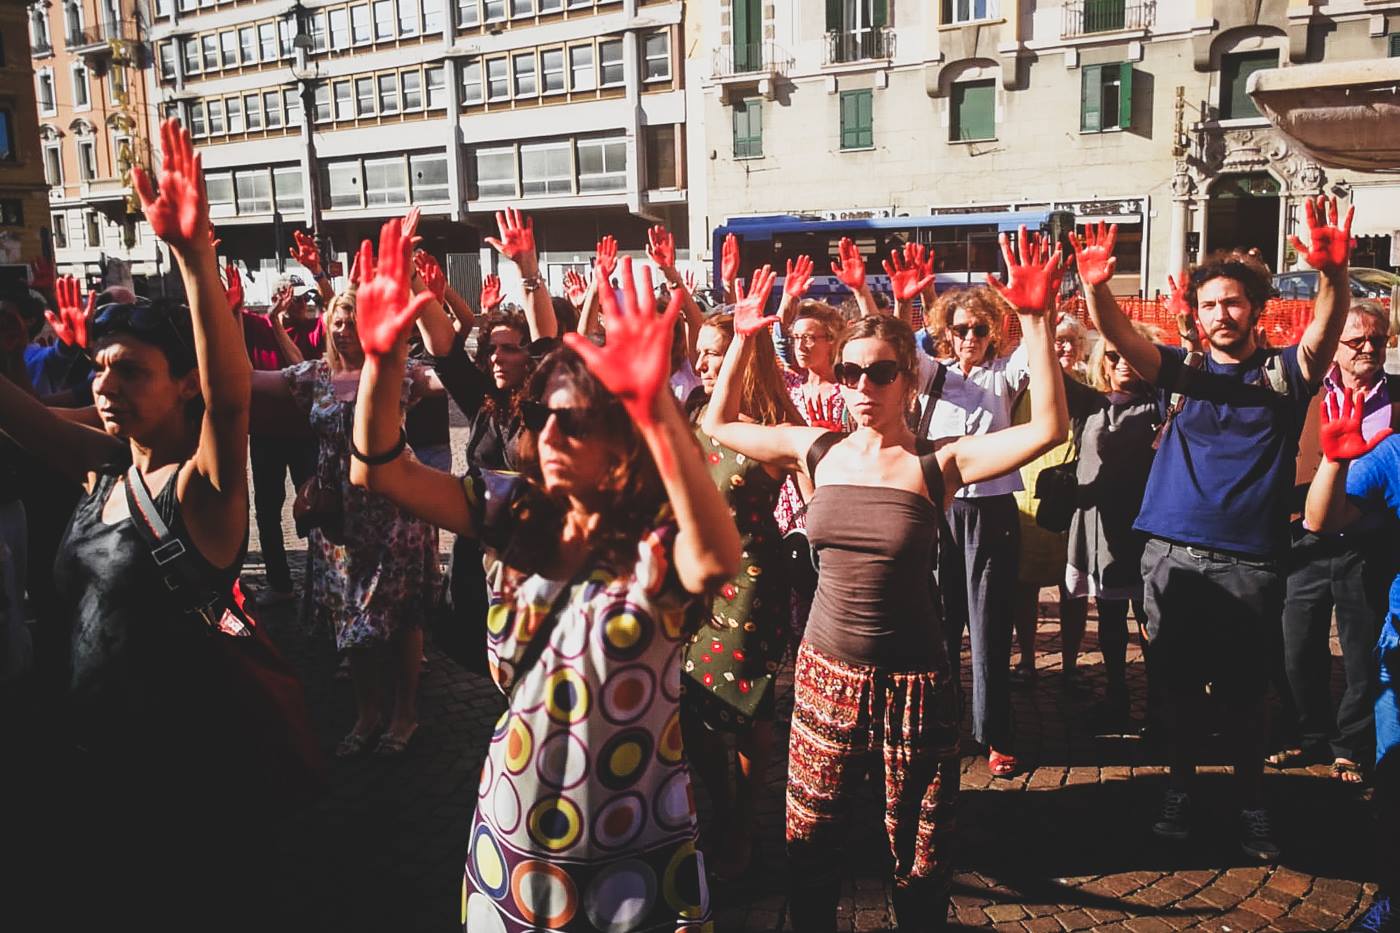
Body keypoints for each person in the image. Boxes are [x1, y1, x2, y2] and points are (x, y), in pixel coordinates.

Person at [349, 232, 739, 932]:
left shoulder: (655, 538)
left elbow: (714, 561)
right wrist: (381, 359)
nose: (551, 434)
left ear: (621, 437)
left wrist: (656, 407)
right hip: (514, 832)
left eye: (575, 420)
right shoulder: (512, 508)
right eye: (539, 415)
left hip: (636, 846)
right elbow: (380, 471)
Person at [702, 228, 1068, 931]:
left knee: (919, 853)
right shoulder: (816, 451)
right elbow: (719, 421)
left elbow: (1048, 427)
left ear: (908, 378)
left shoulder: (939, 463)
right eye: (849, 373)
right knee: (811, 843)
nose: (862, 387)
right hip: (824, 675)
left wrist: (1036, 319)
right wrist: (746, 338)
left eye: (879, 373)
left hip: (915, 681)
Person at [0, 119, 263, 924]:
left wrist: (194, 259)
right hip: (87, 768)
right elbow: (23, 418)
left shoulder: (203, 490)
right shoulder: (101, 468)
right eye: (99, 368)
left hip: (181, 789)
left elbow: (232, 400)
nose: (107, 383)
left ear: (184, 384)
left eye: (131, 370)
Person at [1075, 199, 1354, 861]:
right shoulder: (1183, 371)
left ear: (1256, 310)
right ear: (1195, 315)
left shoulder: (1285, 374)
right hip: (1169, 556)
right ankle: (1179, 787)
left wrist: (1333, 275)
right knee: (1175, 691)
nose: (1220, 313)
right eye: (1208, 305)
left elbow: (1325, 329)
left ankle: (1251, 801)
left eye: (1232, 302)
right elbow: (1120, 336)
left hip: (1250, 562)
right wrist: (1095, 286)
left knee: (1245, 696)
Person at [252, 244, 446, 757]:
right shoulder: (314, 375)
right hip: (339, 517)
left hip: (395, 511)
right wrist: (224, 314)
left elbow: (446, 375)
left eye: (352, 321)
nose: (341, 329)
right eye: (336, 320)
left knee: (402, 617)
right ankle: (367, 713)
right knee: (350, 616)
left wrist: (425, 303)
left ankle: (405, 713)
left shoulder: (399, 370)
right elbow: (241, 383)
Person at [683, 299, 801, 883]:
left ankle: (744, 821)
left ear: (744, 356)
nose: (702, 364)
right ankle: (721, 804)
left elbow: (816, 484)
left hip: (750, 581)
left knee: (748, 700)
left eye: (715, 353)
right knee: (692, 701)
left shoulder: (773, 430)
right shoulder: (694, 412)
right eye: (700, 353)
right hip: (690, 578)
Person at [414, 209, 558, 674]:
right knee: (483, 655)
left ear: (527, 356)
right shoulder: (484, 399)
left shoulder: (542, 402)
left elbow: (548, 342)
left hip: (532, 553)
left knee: (532, 661)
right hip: (479, 548)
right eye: (492, 348)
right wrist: (413, 284)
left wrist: (528, 271)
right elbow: (443, 348)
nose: (497, 357)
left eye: (509, 348)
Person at [1274, 299, 1397, 783]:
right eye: (1356, 340)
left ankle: (1350, 746)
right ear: (1334, 347)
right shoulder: (1305, 392)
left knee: (1363, 650)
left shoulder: (1398, 396)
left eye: (1377, 340)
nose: (1368, 348)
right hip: (1305, 537)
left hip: (1370, 542)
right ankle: (1308, 733)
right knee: (1297, 646)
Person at [919, 283, 1032, 776]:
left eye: (979, 329)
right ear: (946, 332)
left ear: (993, 332)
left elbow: (1037, 351)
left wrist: (1034, 309)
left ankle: (995, 733)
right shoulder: (935, 374)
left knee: (989, 626)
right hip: (939, 510)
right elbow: (897, 343)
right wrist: (873, 293)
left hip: (991, 509)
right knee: (938, 625)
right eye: (960, 328)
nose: (969, 337)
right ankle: (943, 725)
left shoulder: (1004, 374)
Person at [1302, 390, 1398, 932]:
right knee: (1394, 786)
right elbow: (1321, 519)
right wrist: (1336, 463)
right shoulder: (1393, 452)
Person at [1064, 324, 1161, 731]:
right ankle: (1116, 694)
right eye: (1113, 356)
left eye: (1130, 355)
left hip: (1145, 528)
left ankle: (1158, 705)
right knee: (1109, 616)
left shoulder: (1159, 404)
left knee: (1151, 620)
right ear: (1101, 361)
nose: (1122, 363)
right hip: (1100, 528)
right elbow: (1046, 371)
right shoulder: (1090, 402)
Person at [1010, 313, 1090, 689]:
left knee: (1073, 586)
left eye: (1071, 339)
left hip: (1075, 495)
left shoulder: (1090, 385)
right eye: (1057, 339)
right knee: (1024, 584)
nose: (1064, 346)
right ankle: (1027, 659)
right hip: (1028, 494)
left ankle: (1071, 664)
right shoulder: (1021, 385)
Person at [240, 278, 323, 607]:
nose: (303, 306)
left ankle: (321, 582)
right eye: (296, 300)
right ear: (278, 297)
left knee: (316, 508)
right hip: (266, 436)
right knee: (267, 511)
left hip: (305, 435)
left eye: (305, 300)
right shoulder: (253, 325)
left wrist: (276, 324)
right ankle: (279, 583)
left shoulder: (314, 329)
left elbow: (300, 367)